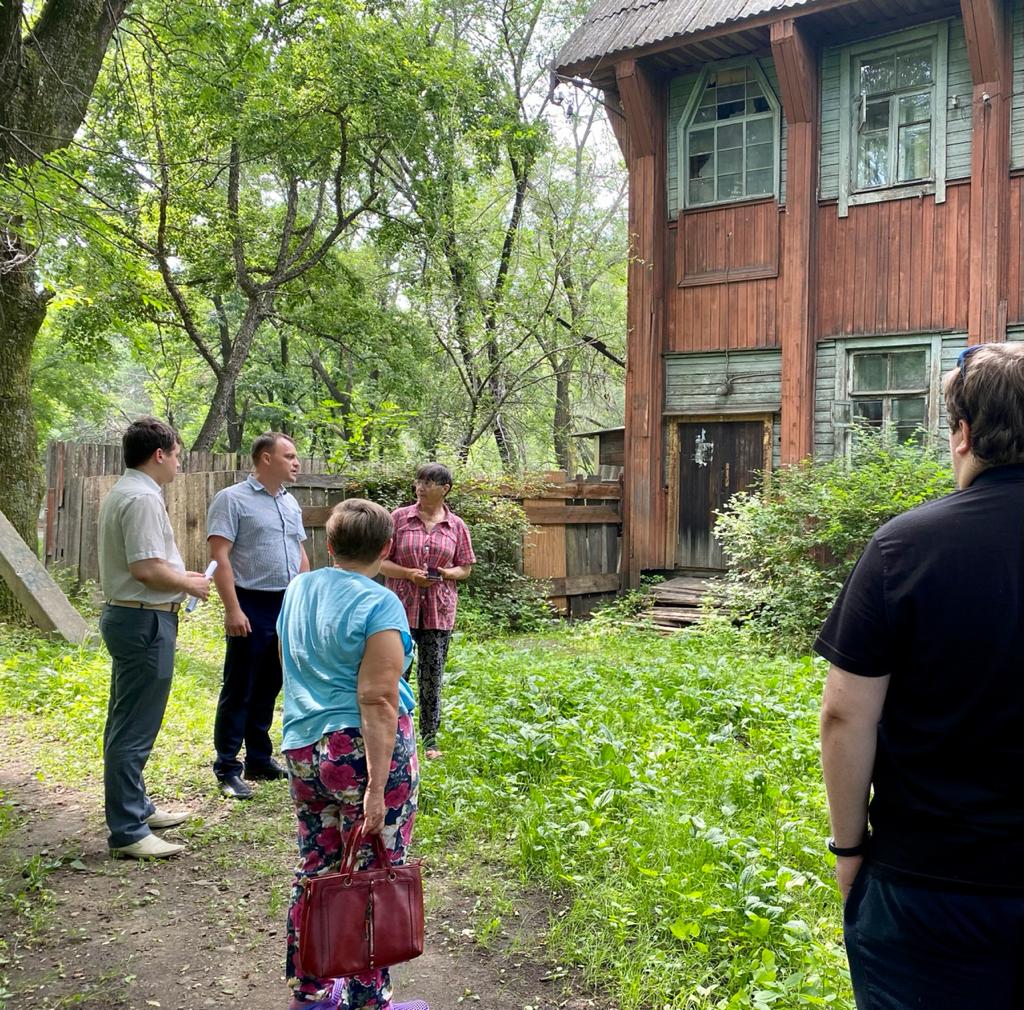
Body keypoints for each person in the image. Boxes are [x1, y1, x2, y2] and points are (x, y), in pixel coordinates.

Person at [816, 341, 1024, 1009]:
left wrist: (849, 849)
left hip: (927, 887)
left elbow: (846, 714)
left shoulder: (904, 548)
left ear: (963, 434)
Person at [278, 499, 427, 1010]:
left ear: (330, 544)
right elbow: (379, 699)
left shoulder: (298, 588)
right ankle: (369, 1001)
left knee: (316, 870)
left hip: (302, 747)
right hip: (360, 752)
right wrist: (377, 788)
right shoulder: (381, 603)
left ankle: (313, 990)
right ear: (387, 549)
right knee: (369, 875)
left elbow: (292, 660)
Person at [98, 417, 212, 859]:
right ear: (159, 454)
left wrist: (180, 578)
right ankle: (127, 830)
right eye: (178, 454)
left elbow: (144, 563)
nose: (179, 464)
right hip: (143, 620)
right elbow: (145, 569)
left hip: (135, 617)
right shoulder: (141, 498)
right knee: (134, 727)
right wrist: (189, 583)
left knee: (127, 718)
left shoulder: (127, 492)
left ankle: (138, 807)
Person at [207, 432, 310, 799]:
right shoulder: (232, 500)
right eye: (289, 456)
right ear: (266, 459)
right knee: (240, 686)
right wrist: (232, 608)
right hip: (250, 602)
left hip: (286, 604)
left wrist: (303, 599)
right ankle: (227, 767)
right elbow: (219, 556)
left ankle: (259, 759)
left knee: (271, 683)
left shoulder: (290, 503)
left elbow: (299, 553)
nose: (296, 462)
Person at [379, 464, 475, 760]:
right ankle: (394, 733)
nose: (420, 486)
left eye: (428, 482)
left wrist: (447, 573)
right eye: (418, 481)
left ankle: (430, 740)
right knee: (397, 673)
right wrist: (409, 573)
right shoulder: (398, 519)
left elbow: (466, 568)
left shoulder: (456, 526)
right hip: (400, 611)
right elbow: (381, 563)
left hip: (438, 611)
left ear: (444, 488)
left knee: (432, 675)